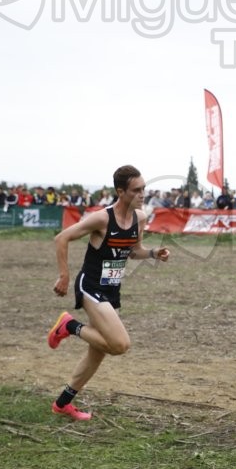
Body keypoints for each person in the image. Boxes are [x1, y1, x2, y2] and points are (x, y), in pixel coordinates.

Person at [46, 165, 170, 420]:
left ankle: (62, 403)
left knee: (97, 352)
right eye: (137, 190)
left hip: (111, 290)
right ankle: (69, 326)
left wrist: (153, 253)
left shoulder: (140, 218)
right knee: (120, 344)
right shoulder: (102, 218)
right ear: (120, 191)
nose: (142, 194)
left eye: (144, 188)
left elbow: (133, 250)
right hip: (90, 287)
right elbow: (62, 238)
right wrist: (64, 275)